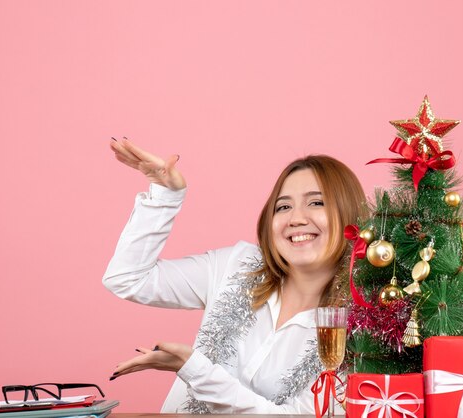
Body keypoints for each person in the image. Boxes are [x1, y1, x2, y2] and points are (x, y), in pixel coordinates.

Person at [103, 138, 367, 414]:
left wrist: (194, 369)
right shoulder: (237, 265)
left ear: (348, 215)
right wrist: (166, 195)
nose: (296, 219)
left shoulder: (363, 328)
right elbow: (127, 278)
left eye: (316, 202)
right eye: (283, 207)